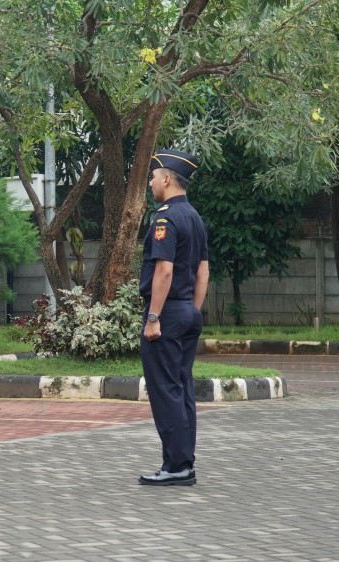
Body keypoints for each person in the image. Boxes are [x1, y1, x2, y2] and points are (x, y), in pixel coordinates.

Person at [138, 149, 209, 486]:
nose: (151, 183)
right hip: (186, 312)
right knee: (182, 390)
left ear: (166, 178)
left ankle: (177, 466)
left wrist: (154, 316)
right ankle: (183, 463)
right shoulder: (194, 217)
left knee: (166, 391)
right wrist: (192, 309)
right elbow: (203, 270)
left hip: (166, 314)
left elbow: (163, 272)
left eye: (153, 177)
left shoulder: (165, 218)